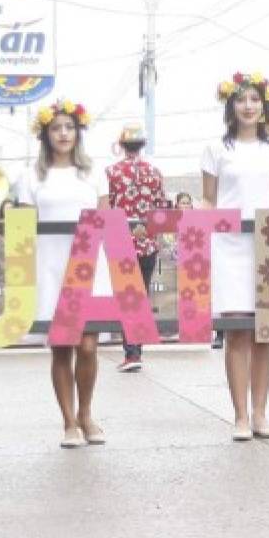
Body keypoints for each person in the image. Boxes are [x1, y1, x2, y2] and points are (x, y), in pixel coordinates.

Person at [202, 72, 269, 441]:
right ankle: (239, 415)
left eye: (255, 99)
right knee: (237, 332)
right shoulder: (216, 149)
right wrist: (201, 224)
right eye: (241, 100)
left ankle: (260, 413)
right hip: (230, 247)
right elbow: (209, 199)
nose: (248, 106)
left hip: (267, 244)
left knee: (264, 333)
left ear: (264, 104)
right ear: (230, 105)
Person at [17, 98, 109, 448]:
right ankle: (68, 422)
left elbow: (105, 219)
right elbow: (24, 226)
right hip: (51, 265)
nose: (63, 133)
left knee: (88, 346)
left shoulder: (94, 173)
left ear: (78, 132)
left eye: (69, 127)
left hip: (88, 265)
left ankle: (86, 413)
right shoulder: (31, 176)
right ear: (45, 134)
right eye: (56, 128)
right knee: (61, 347)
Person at [106, 124, 166, 372]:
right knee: (141, 297)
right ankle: (137, 350)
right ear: (142, 145)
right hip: (148, 242)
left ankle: (131, 353)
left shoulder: (111, 172)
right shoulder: (154, 172)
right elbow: (161, 207)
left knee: (126, 298)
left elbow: (107, 205)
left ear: (121, 145)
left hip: (121, 240)